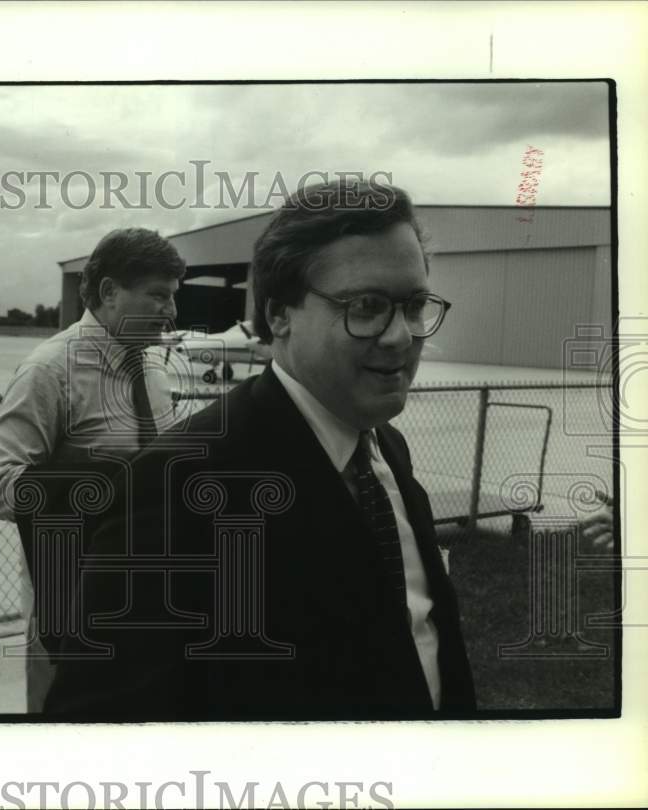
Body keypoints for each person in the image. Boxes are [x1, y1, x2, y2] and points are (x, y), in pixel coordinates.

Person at [44, 180, 477, 719]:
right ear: (279, 316)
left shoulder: (387, 449)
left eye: (413, 305)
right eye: (366, 307)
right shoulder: (176, 485)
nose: (400, 336)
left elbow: (422, 632)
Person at [0, 226, 186, 712]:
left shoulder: (152, 368)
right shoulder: (49, 370)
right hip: (73, 609)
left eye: (173, 297)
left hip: (150, 596)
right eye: (158, 296)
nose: (172, 312)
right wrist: (104, 480)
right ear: (110, 292)